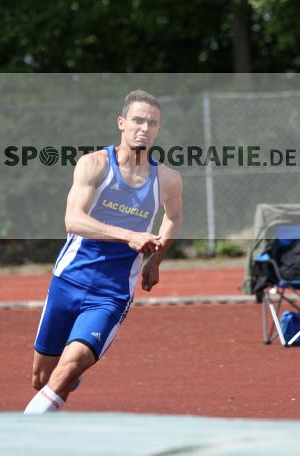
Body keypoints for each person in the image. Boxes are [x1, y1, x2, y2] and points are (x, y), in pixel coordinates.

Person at [24, 89, 183, 414]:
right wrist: (129, 236)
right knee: (42, 379)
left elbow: (173, 217)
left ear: (158, 130)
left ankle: (20, 440)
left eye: (152, 123)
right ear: (122, 123)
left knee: (68, 368)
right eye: (138, 120)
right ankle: (61, 385)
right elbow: (74, 219)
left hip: (111, 294)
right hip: (68, 281)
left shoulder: (167, 179)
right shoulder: (94, 164)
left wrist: (156, 259)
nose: (144, 127)